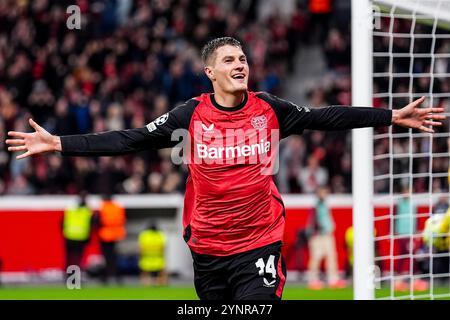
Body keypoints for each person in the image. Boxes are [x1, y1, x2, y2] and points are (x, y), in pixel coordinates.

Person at [5, 37, 446, 300]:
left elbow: (323, 117)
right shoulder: (188, 116)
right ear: (210, 72)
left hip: (259, 243)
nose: (241, 66)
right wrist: (58, 142)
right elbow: (130, 139)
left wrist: (390, 116)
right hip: (208, 248)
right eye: (230, 61)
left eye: (243, 59)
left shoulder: (270, 109)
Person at [306, 186, 346, 289]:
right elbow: (314, 222)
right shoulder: (316, 206)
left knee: (331, 256)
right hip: (318, 235)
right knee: (316, 257)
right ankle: (313, 280)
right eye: (323, 193)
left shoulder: (324, 205)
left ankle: (333, 279)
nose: (325, 194)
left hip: (327, 234)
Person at [394, 186, 428, 292]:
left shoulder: (413, 204)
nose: (408, 193)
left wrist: (416, 230)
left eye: (409, 191)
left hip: (410, 233)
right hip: (401, 233)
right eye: (406, 191)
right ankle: (399, 280)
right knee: (403, 255)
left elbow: (415, 217)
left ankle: (413, 279)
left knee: (412, 255)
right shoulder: (398, 204)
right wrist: (393, 231)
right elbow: (393, 217)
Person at [96, 194, 126, 284]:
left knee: (106, 257)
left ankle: (106, 276)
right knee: (114, 257)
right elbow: (123, 220)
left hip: (105, 235)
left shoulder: (103, 207)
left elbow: (98, 221)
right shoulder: (118, 207)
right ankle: (117, 276)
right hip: (116, 235)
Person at [62, 191, 93, 279]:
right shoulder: (87, 211)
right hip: (80, 237)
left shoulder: (71, 210)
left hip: (69, 236)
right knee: (77, 259)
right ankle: (75, 278)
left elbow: (63, 223)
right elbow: (90, 225)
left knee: (69, 258)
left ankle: (68, 277)